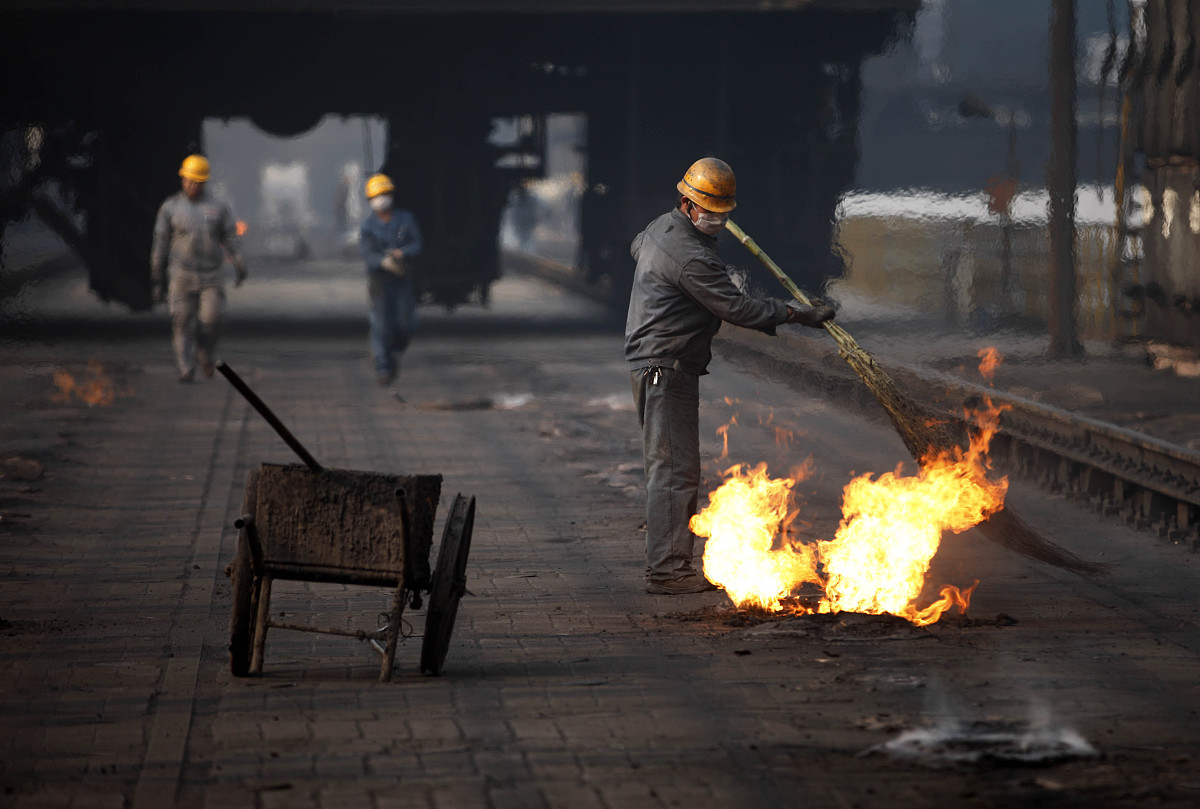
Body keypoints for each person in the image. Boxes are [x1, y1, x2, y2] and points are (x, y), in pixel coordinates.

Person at [625, 157, 835, 595]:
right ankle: (667, 572)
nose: (718, 221)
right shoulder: (689, 257)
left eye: (723, 213)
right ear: (687, 204)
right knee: (673, 472)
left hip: (660, 364)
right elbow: (736, 309)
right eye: (710, 212)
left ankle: (670, 566)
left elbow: (636, 248)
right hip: (666, 367)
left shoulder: (657, 230)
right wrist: (797, 313)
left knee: (674, 468)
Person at [151, 154, 247, 383]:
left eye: (198, 181)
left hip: (211, 275)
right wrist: (156, 274)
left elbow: (230, 237)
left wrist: (239, 262)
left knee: (211, 319)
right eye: (189, 180)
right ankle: (186, 368)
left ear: (205, 182)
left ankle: (205, 351)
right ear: (182, 180)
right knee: (182, 321)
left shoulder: (218, 207)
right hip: (181, 275)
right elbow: (161, 242)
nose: (193, 185)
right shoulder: (170, 208)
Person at [359, 173, 423, 386]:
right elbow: (368, 254)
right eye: (377, 196)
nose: (382, 199)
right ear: (370, 201)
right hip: (379, 280)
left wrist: (402, 253)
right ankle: (383, 367)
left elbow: (417, 244)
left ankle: (393, 351)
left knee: (407, 323)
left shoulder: (406, 219)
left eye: (385, 194)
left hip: (401, 277)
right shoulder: (368, 227)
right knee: (380, 323)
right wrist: (383, 261)